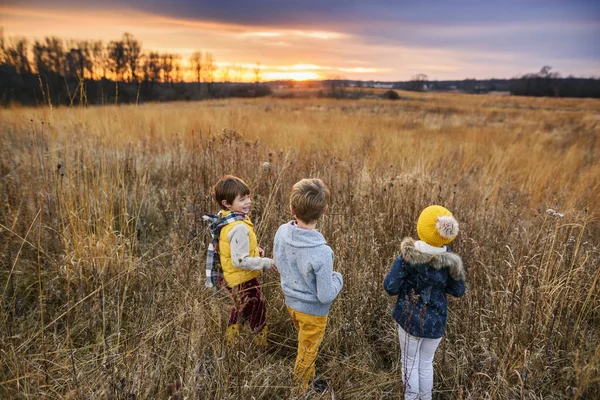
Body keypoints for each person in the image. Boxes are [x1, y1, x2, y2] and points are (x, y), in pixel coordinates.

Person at [383, 205, 466, 400]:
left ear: (421, 229)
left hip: (409, 320)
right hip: (436, 322)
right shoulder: (451, 261)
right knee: (426, 363)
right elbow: (458, 290)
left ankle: (411, 397)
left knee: (409, 362)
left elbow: (390, 286)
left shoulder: (409, 256)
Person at [274, 178, 343, 392]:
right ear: (324, 211)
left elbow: (278, 263)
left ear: (292, 209)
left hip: (291, 304)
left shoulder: (282, 232)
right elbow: (325, 295)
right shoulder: (321, 252)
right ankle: (300, 387)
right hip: (313, 312)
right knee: (308, 350)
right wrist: (338, 279)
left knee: (304, 343)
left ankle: (309, 378)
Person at [204, 175, 274, 346]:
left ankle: (231, 340)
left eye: (248, 197)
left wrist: (255, 251)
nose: (248, 202)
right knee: (257, 309)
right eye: (242, 199)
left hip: (232, 278)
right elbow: (240, 261)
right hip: (243, 279)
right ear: (227, 203)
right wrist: (265, 262)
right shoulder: (239, 226)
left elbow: (233, 249)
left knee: (240, 309)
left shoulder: (228, 219)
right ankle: (260, 344)